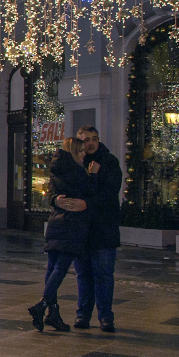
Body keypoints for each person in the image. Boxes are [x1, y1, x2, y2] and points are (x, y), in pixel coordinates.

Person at [30, 138, 91, 333]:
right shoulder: (78, 171)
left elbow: (51, 196)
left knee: (53, 267)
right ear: (73, 151)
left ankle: (52, 313)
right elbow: (89, 193)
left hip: (55, 223)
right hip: (71, 225)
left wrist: (56, 200)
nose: (84, 154)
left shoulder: (56, 169)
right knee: (61, 267)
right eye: (80, 151)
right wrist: (93, 176)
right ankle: (42, 305)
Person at [74, 126, 122, 333]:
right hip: (81, 229)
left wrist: (87, 203)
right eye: (86, 140)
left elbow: (109, 194)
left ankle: (105, 317)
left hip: (104, 228)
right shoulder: (75, 163)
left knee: (104, 274)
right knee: (83, 274)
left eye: (94, 139)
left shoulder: (109, 162)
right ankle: (83, 314)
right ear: (79, 141)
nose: (90, 143)